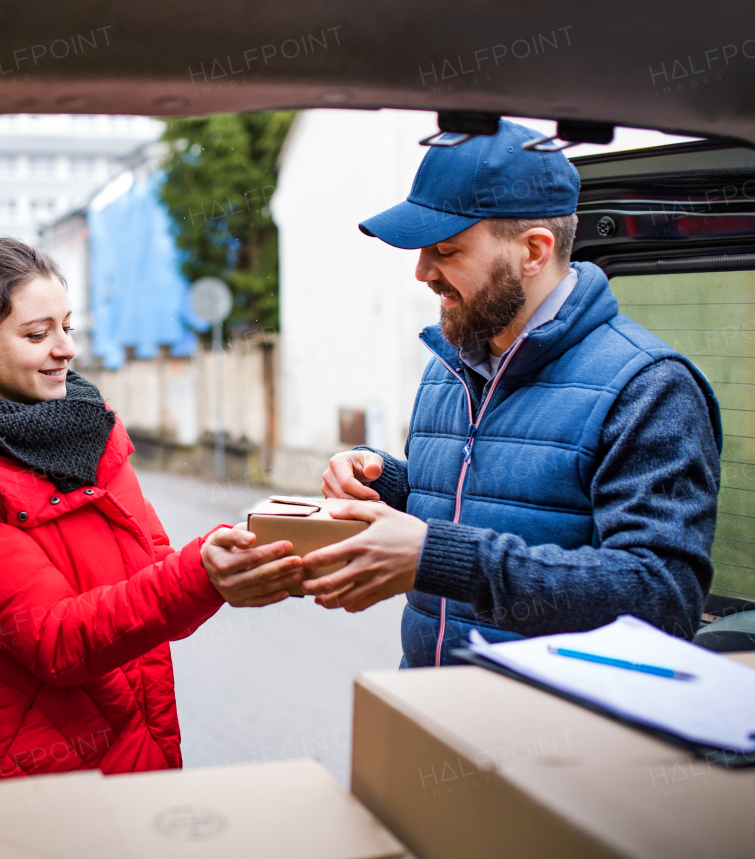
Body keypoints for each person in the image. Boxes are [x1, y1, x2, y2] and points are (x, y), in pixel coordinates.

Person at [301, 120, 722, 668]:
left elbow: (661, 596)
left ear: (534, 250)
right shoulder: (451, 365)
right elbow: (488, 507)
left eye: (447, 251)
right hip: (427, 708)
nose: (421, 271)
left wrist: (438, 557)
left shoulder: (647, 387)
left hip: (560, 736)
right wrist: (385, 484)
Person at [0, 238, 303, 784]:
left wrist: (234, 558)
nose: (65, 349)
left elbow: (155, 574)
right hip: (31, 777)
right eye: (37, 334)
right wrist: (201, 575)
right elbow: (55, 641)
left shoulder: (87, 428)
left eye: (68, 327)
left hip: (140, 744)